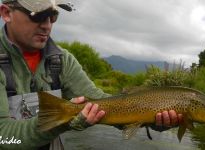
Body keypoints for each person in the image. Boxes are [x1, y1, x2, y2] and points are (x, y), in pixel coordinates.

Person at [0, 0, 182, 149]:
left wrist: (153, 118)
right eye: (38, 15)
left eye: (53, 16)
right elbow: (3, 137)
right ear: (6, 13)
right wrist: (64, 121)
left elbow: (103, 103)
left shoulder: (62, 60)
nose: (47, 25)